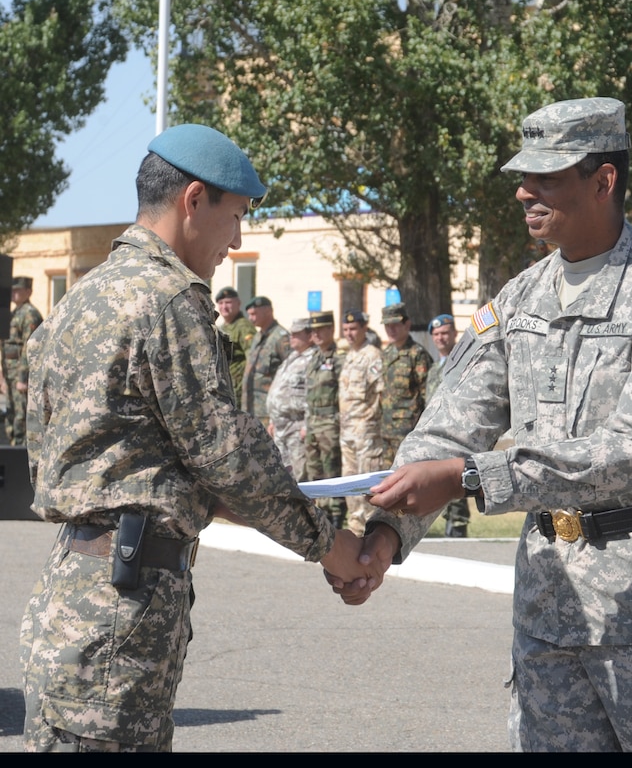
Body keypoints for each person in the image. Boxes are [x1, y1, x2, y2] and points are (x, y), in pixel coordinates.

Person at [335, 97, 632, 752]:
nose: (524, 191)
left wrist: (475, 477)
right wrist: (387, 532)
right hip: (549, 608)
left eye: (548, 177)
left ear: (603, 180)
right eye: (523, 176)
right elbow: (450, 426)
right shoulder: (519, 300)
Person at [19, 123, 379, 753]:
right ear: (193, 201)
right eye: (235, 216)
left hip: (70, 596)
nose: (236, 240)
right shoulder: (168, 301)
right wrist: (332, 546)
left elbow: (48, 453)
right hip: (120, 614)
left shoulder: (81, 298)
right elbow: (228, 455)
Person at [338, 309, 384, 536]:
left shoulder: (372, 355)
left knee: (367, 479)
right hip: (346, 430)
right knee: (349, 479)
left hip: (365, 429)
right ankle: (354, 525)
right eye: (345, 329)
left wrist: (372, 419)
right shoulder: (349, 355)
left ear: (364, 328)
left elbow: (380, 392)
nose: (349, 333)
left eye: (353, 329)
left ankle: (370, 524)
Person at [425, 313, 470, 538]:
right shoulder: (434, 369)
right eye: (436, 334)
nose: (441, 338)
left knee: (457, 480)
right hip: (433, 435)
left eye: (445, 333)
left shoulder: (465, 364)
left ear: (454, 334)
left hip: (456, 433)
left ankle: (458, 527)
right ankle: (447, 527)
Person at [304, 310, 347, 528]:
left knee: (332, 470)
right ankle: (319, 514)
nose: (317, 334)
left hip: (330, 422)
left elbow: (344, 392)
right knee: (314, 470)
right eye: (314, 330)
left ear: (331, 329)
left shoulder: (339, 359)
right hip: (313, 422)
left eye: (321, 329)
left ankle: (337, 514)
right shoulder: (313, 358)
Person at [378, 302, 432, 470]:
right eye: (387, 326)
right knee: (386, 478)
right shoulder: (386, 354)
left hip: (407, 432)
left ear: (407, 324)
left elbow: (427, 395)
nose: (391, 330)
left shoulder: (417, 354)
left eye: (395, 325)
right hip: (386, 430)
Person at [266, 317, 315, 480]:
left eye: (297, 334)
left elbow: (312, 395)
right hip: (280, 427)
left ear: (309, 336)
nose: (291, 337)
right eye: (291, 333)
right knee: (283, 474)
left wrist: (307, 426)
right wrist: (272, 420)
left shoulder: (313, 359)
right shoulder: (291, 358)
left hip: (297, 426)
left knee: (299, 475)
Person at [0, 277, 43, 446]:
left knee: (21, 417)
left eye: (18, 290)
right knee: (10, 414)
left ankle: (21, 453)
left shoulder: (30, 314)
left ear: (28, 292)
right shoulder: (12, 314)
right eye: (13, 290)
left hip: (20, 373)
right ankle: (13, 447)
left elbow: (29, 347)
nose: (14, 293)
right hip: (9, 372)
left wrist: (23, 378)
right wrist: (2, 374)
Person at [241, 295, 290, 426]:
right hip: (251, 409)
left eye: (254, 314)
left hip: (269, 411)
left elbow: (289, 372)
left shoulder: (281, 338)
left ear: (268, 311)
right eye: (249, 315)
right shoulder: (257, 336)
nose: (251, 318)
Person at [214, 286, 257, 406]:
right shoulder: (222, 327)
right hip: (226, 384)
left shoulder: (243, 327)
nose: (224, 307)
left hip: (238, 386)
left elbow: (252, 357)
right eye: (221, 303)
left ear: (238, 303)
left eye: (228, 302)